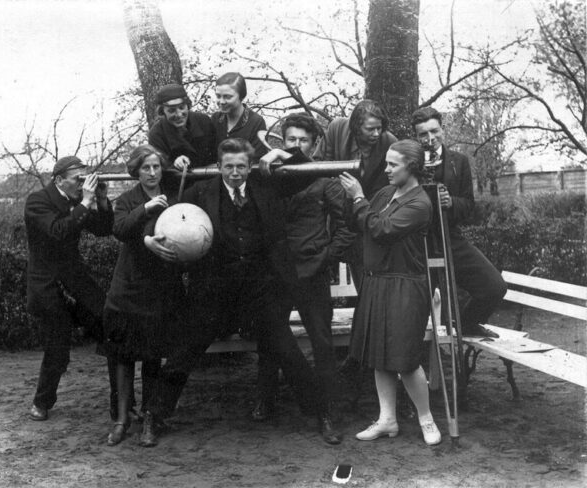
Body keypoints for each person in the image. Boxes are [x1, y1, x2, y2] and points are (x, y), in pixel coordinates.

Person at [145, 138, 338, 445]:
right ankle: (154, 418)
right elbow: (165, 215)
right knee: (186, 350)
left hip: (260, 292)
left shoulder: (268, 187)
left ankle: (321, 415)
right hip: (215, 291)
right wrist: (148, 238)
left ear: (250, 166)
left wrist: (282, 153)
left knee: (287, 350)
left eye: (241, 166)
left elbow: (308, 171)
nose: (235, 173)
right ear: (219, 166)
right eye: (229, 166)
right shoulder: (200, 193)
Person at [254, 113, 356, 430]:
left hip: (312, 271)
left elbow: (346, 228)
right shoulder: (271, 176)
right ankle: (266, 397)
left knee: (322, 342)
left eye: (303, 141)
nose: (296, 145)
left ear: (314, 144)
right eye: (291, 140)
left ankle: (328, 413)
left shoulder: (325, 178)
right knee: (271, 337)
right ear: (282, 143)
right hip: (278, 271)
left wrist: (326, 257)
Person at [339, 139, 441, 446]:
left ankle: (426, 418)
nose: (386, 169)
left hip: (406, 285)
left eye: (392, 164)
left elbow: (381, 230)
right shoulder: (385, 193)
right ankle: (387, 420)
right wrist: (352, 201)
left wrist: (358, 199)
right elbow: (361, 222)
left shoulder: (419, 203)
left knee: (405, 359)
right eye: (386, 163)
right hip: (377, 281)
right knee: (379, 356)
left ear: (411, 167)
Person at [101, 145, 184, 447]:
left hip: (161, 287)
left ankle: (150, 418)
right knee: (123, 356)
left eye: (156, 167)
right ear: (136, 171)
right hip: (129, 288)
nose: (151, 173)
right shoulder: (127, 200)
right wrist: (146, 214)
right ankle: (122, 419)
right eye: (145, 168)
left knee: (153, 356)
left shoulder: (173, 198)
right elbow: (120, 229)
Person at [24, 155, 114, 421]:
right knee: (58, 346)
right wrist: (85, 202)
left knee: (110, 325)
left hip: (75, 280)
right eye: (78, 179)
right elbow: (57, 231)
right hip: (47, 287)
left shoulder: (77, 201)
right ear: (59, 179)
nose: (81, 184)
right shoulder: (37, 201)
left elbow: (103, 230)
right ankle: (42, 403)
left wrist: (100, 200)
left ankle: (121, 403)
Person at [411, 107, 507, 338]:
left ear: (442, 129)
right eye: (423, 134)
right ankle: (414, 359)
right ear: (416, 137)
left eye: (434, 131)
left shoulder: (459, 161)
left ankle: (467, 325)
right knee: (415, 305)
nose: (430, 139)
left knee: (494, 286)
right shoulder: (409, 162)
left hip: (450, 237)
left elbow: (469, 206)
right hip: (417, 243)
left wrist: (450, 202)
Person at [312, 99, 398, 288]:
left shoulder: (390, 142)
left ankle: (368, 309)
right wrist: (336, 187)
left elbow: (393, 184)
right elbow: (317, 165)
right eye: (370, 129)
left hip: (368, 217)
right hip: (334, 216)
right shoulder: (337, 129)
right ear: (356, 127)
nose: (376, 133)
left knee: (367, 275)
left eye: (379, 128)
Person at [148, 84, 217, 171]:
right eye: (172, 110)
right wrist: (175, 164)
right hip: (178, 181)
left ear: (187, 106)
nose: (179, 114)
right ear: (162, 111)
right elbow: (160, 166)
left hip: (209, 179)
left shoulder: (203, 121)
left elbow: (217, 154)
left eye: (181, 108)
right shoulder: (157, 134)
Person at [212, 72, 268, 160]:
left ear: (241, 96)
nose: (222, 101)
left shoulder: (256, 122)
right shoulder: (215, 119)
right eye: (218, 96)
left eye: (227, 97)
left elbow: (257, 159)